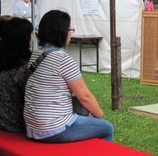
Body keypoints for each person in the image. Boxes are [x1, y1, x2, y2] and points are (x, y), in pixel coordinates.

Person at [24, 10, 114, 143]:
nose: (71, 33)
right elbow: (85, 97)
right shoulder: (63, 60)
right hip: (54, 129)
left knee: (81, 110)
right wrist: (100, 115)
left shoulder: (36, 55)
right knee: (107, 128)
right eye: (70, 29)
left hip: (32, 127)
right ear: (62, 32)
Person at [0, 16, 34, 133]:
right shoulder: (25, 67)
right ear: (25, 37)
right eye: (31, 34)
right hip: (17, 123)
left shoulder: (4, 60)